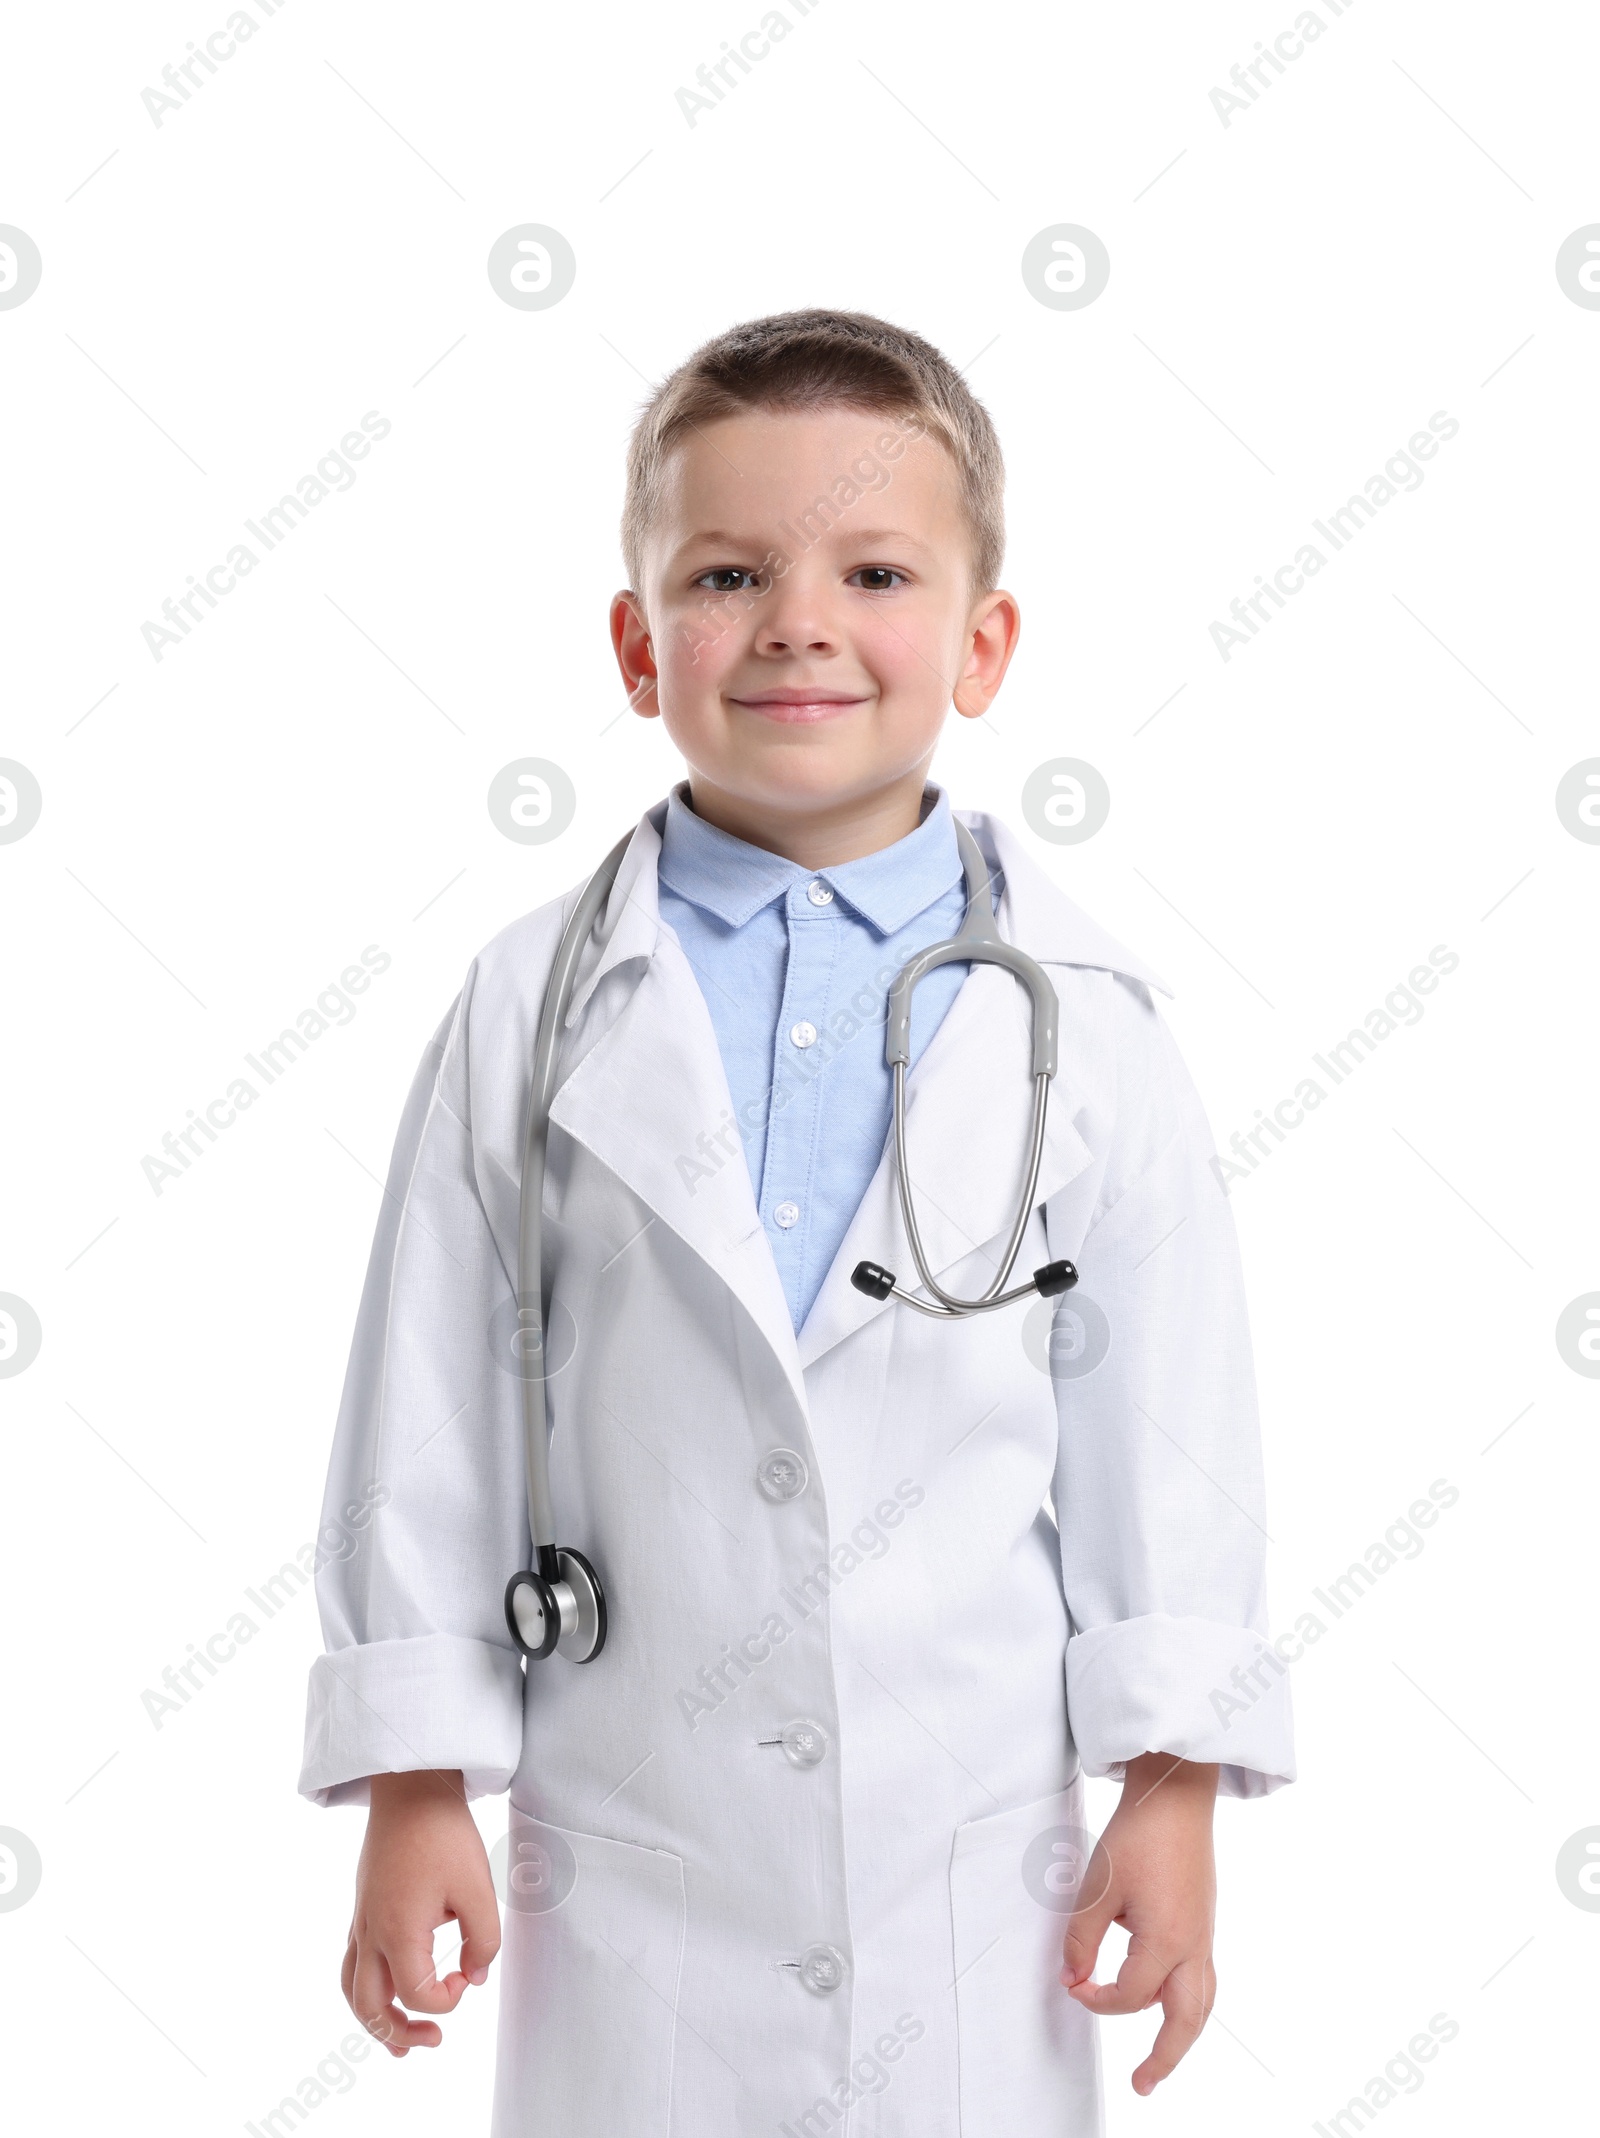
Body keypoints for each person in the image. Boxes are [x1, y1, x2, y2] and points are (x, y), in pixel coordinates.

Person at [299, 309, 1295, 2136]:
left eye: (878, 570)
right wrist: (416, 1781)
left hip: (973, 1863)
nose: (799, 622)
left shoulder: (1086, 1016)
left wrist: (1170, 1779)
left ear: (984, 646)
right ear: (634, 643)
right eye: (728, 570)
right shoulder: (531, 1006)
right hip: (638, 1859)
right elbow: (427, 1395)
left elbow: (1171, 1423)